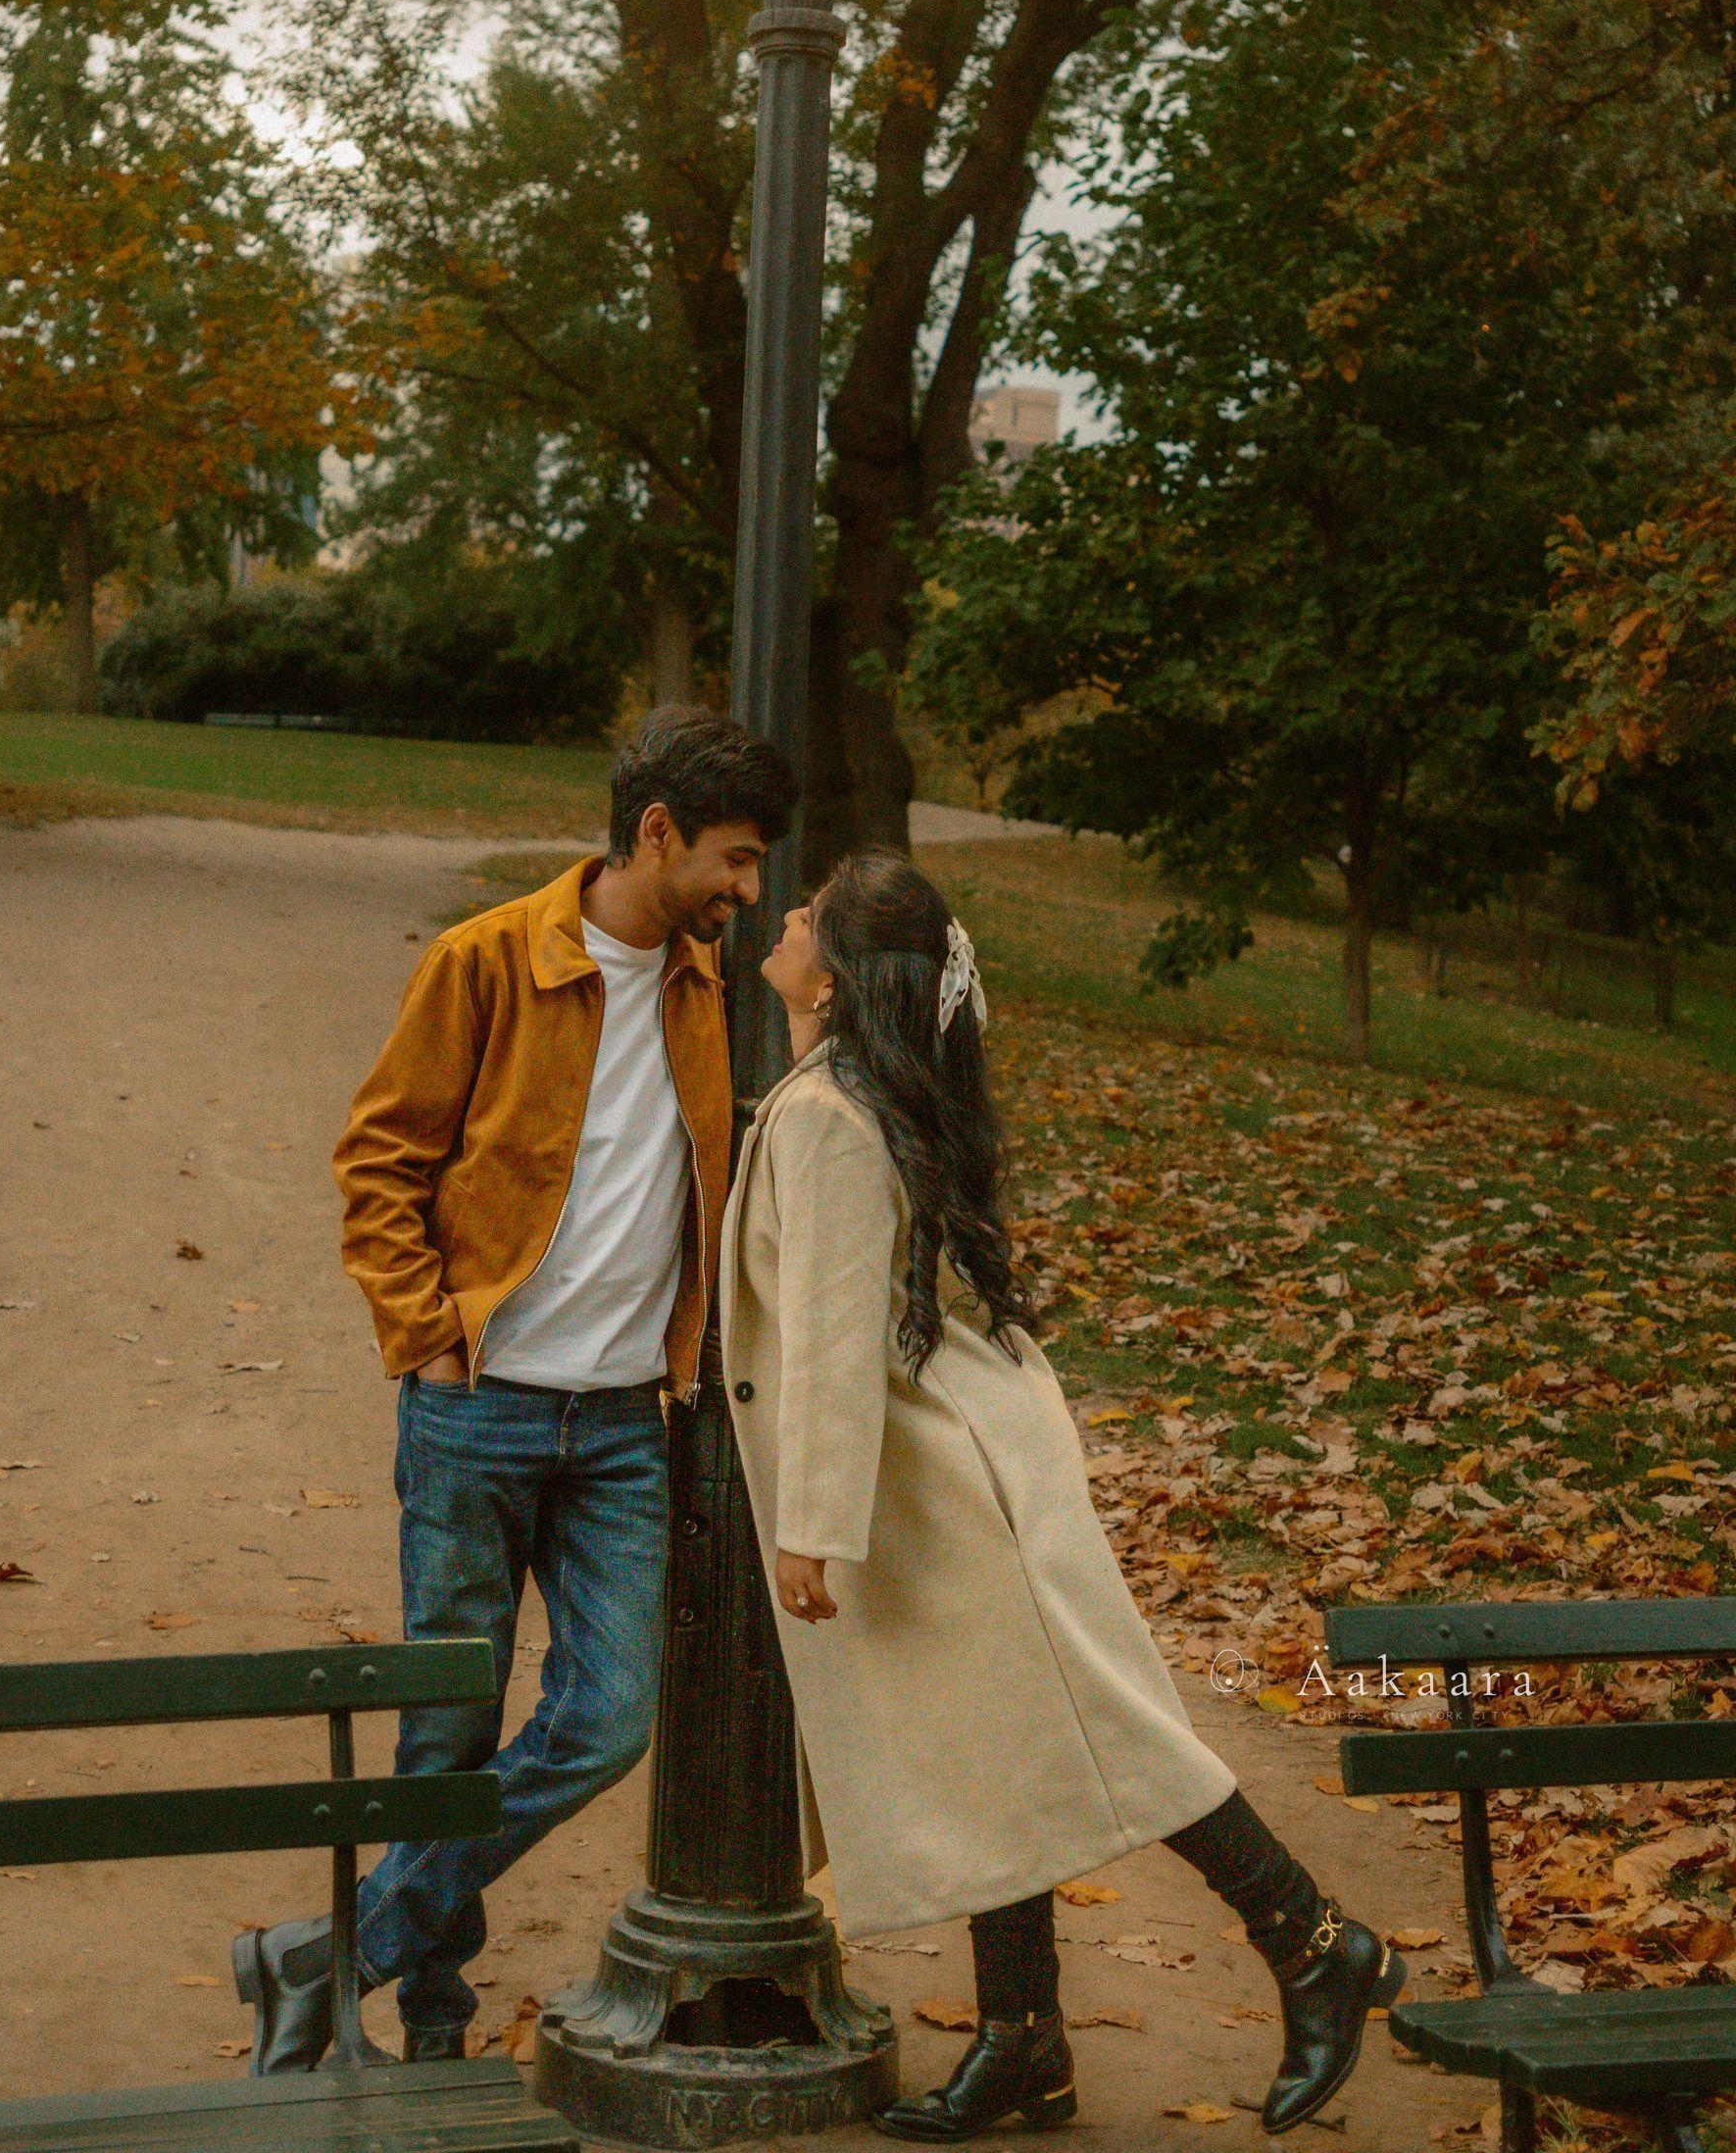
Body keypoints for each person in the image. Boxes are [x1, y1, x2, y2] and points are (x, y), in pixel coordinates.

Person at [720, 851, 1403, 2141]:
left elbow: (825, 1338)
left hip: (949, 1492)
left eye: (809, 913)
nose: (787, 918)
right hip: (976, 1461)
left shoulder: (827, 1112)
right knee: (1003, 1760)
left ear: (841, 972)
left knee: (1118, 1736)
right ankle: (1024, 2045)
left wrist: (809, 1527)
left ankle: (1316, 1946)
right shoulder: (864, 1090)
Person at [232, 704, 797, 2074]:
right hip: (476, 1404)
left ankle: (327, 1948)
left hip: (620, 1426)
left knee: (608, 1718)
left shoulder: (711, 991)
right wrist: (424, 1333)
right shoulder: (484, 962)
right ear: (654, 834)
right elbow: (379, 1160)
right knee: (449, 1724)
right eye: (731, 857)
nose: (748, 888)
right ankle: (427, 2017)